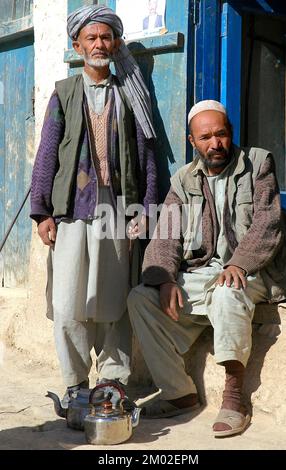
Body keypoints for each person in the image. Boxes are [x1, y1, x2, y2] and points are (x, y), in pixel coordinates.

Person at [128, 100, 286, 437]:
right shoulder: (183, 179)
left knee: (229, 290)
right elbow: (167, 234)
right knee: (140, 298)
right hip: (202, 272)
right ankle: (179, 394)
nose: (214, 144)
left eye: (221, 135)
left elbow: (268, 222)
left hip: (253, 272)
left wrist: (239, 263)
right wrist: (163, 278)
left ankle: (234, 398)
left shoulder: (258, 163)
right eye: (205, 138)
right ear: (192, 141)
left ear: (230, 134)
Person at [30, 5, 158, 406]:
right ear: (77, 45)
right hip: (72, 207)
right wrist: (42, 212)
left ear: (115, 43)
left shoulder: (129, 93)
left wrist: (148, 207)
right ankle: (75, 383)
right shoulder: (65, 93)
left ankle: (113, 382)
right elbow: (47, 154)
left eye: (106, 37)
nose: (99, 44)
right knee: (68, 301)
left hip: (118, 208)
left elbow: (147, 157)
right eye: (92, 38)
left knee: (114, 299)